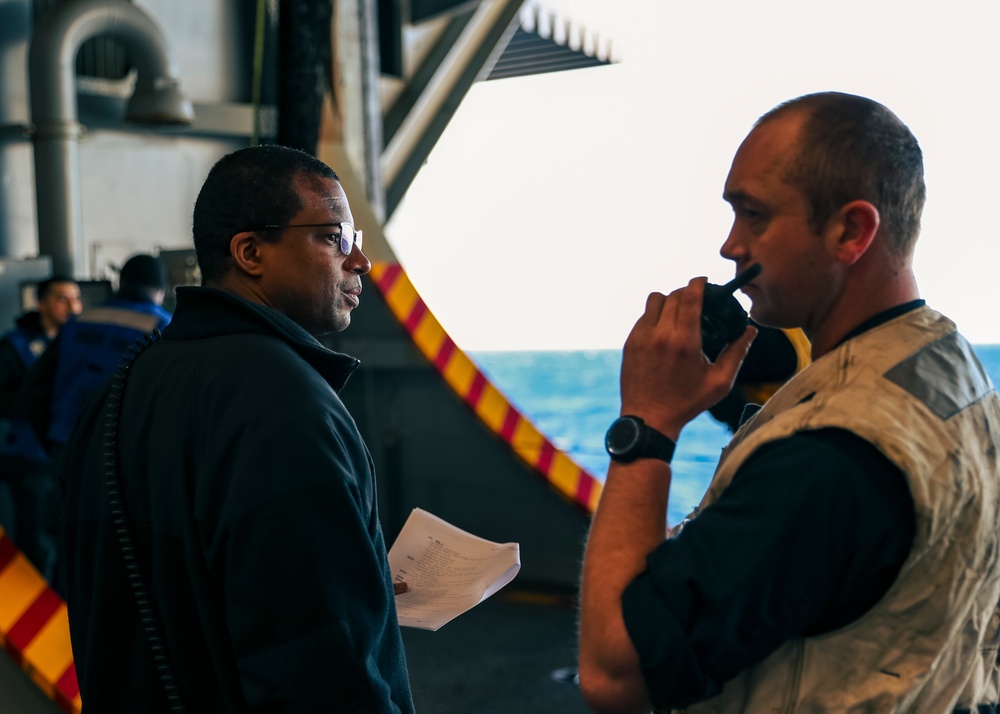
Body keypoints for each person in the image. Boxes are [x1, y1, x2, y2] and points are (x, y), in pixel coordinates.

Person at [578, 91, 1000, 713]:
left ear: (850, 231)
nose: (730, 247)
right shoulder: (947, 363)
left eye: (754, 216)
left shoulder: (828, 456)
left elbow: (614, 673)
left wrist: (648, 422)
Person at [61, 145, 414, 712]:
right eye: (335, 237)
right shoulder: (289, 404)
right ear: (251, 252)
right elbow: (319, 670)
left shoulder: (119, 390)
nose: (360, 262)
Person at [18, 253, 172, 460]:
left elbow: (35, 389)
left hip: (66, 442)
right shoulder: (164, 327)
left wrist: (52, 442)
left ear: (122, 283)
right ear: (161, 291)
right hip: (125, 452)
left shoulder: (78, 321)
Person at [0, 276, 81, 580]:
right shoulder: (15, 346)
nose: (72, 307)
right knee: (37, 544)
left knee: (68, 544)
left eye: (76, 299)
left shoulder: (80, 344)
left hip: (68, 460)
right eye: (63, 299)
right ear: (42, 304)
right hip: (30, 460)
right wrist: (36, 399)